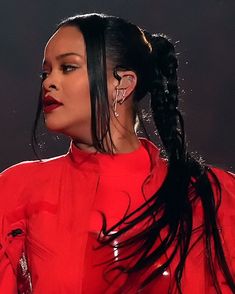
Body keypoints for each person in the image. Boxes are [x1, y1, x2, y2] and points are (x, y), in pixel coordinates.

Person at [0, 13, 234, 294]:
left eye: (68, 67)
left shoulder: (214, 195)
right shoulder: (17, 190)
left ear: (122, 84)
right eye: (46, 71)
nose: (49, 82)